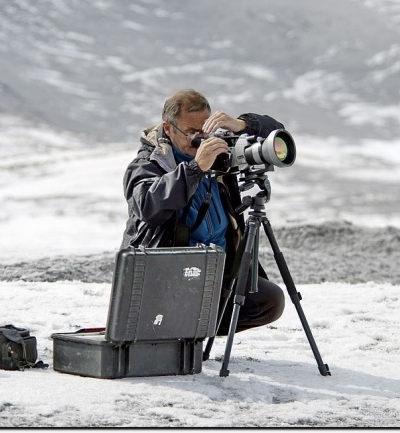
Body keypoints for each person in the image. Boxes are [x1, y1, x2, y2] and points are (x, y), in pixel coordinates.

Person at [121, 89, 285, 335]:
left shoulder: (218, 150)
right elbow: (148, 205)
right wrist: (196, 168)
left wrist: (242, 124)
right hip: (169, 277)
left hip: (216, 273)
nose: (198, 140)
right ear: (168, 128)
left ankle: (192, 332)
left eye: (204, 131)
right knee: (181, 306)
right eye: (191, 133)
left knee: (269, 301)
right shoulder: (148, 163)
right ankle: (179, 333)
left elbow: (277, 137)